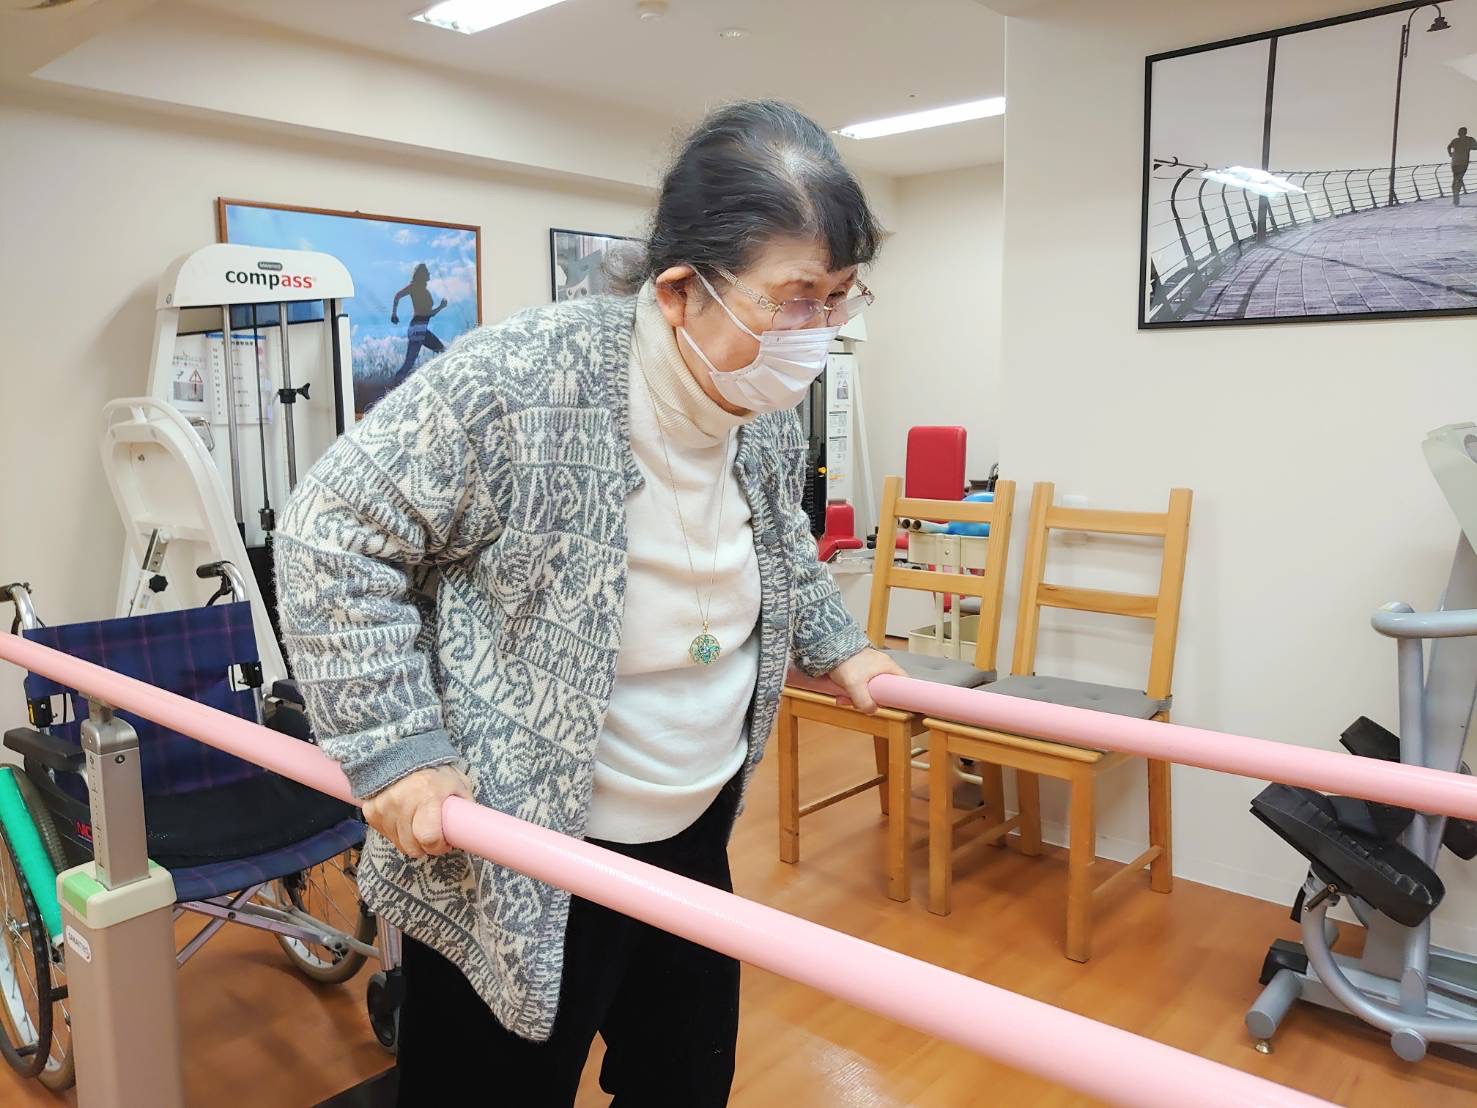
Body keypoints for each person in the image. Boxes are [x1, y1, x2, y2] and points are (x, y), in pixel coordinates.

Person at [273, 99, 903, 1107]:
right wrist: (396, 748)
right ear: (681, 290)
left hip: (691, 828)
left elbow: (778, 536)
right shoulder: (520, 380)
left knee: (682, 1081)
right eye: (795, 299)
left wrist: (841, 647)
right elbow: (327, 533)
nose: (818, 331)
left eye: (837, 298)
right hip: (515, 850)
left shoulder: (763, 406)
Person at [387, 262, 449, 386]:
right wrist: (394, 314)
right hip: (417, 328)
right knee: (410, 362)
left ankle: (440, 381)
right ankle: (393, 385)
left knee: (441, 351)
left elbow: (429, 314)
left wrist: (441, 307)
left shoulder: (423, 290)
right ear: (422, 274)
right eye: (427, 272)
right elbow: (398, 295)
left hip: (421, 329)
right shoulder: (415, 287)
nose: (429, 273)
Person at [1449, 126, 1477, 205]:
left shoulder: (1455, 140)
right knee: (1458, 178)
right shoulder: (1469, 139)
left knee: (1456, 178)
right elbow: (1476, 147)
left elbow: (1448, 147)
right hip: (1463, 163)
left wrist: (1450, 154)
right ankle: (1456, 194)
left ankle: (1455, 195)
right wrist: (1469, 147)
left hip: (1454, 163)